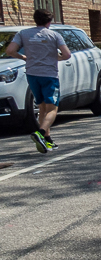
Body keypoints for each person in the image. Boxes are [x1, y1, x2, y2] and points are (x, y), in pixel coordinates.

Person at [6, 8, 71, 153]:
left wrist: (23, 57)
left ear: (35, 20)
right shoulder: (54, 35)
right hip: (49, 75)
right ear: (49, 22)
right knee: (52, 108)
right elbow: (67, 55)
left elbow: (10, 51)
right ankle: (40, 133)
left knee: (41, 107)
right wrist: (56, 57)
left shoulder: (23, 33)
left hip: (32, 74)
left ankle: (48, 141)